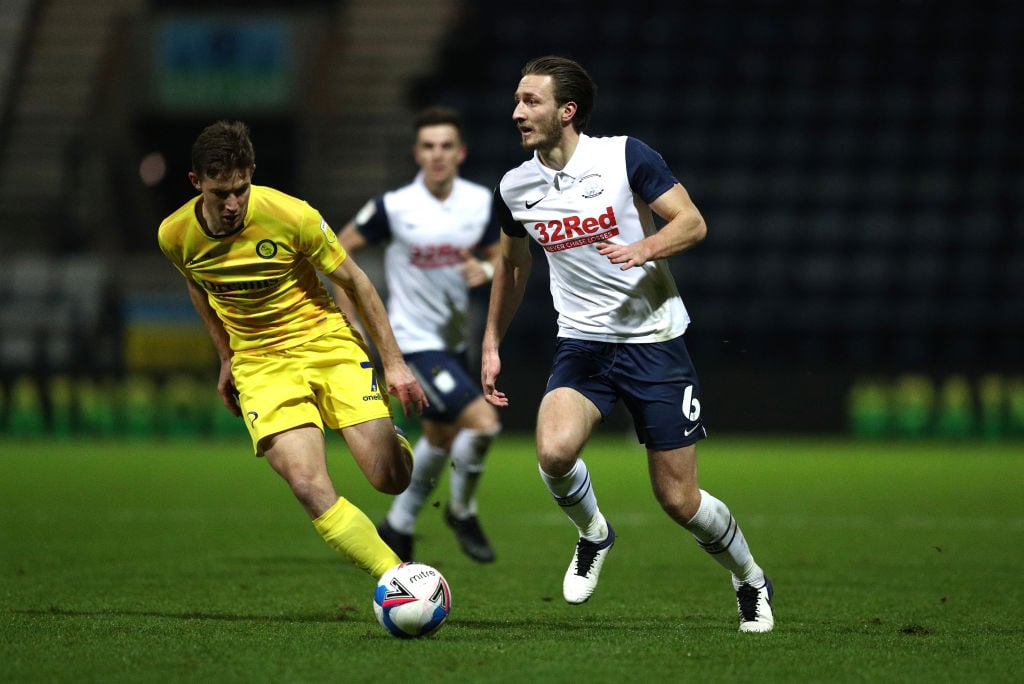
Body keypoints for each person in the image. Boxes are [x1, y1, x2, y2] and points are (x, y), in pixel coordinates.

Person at [482, 56, 775, 632]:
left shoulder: (623, 156)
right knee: (554, 451)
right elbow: (512, 269)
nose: (517, 112)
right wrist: (492, 342)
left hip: (654, 344)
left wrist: (645, 248)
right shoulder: (515, 186)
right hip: (583, 345)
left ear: (567, 111)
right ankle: (594, 533)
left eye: (531, 101)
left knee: (678, 500)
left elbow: (691, 222)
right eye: (517, 100)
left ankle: (750, 578)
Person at [157, 120, 428, 584]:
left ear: (252, 174)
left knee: (389, 478)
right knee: (306, 482)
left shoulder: (292, 215)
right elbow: (198, 287)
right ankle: (397, 577)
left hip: (325, 342)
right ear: (195, 182)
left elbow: (356, 282)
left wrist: (395, 363)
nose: (232, 204)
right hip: (260, 364)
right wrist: (225, 356)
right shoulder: (174, 234)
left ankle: (392, 440)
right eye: (220, 192)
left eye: (241, 189)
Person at [332, 106, 502, 563]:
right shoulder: (395, 207)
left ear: (460, 152)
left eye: (446, 145)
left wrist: (484, 267)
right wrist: (347, 315)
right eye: (428, 146)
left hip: (454, 340)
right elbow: (338, 250)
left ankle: (399, 524)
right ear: (416, 153)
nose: (437, 154)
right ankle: (462, 511)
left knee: (442, 438)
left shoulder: (479, 202)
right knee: (484, 424)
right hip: (411, 342)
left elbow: (501, 254)